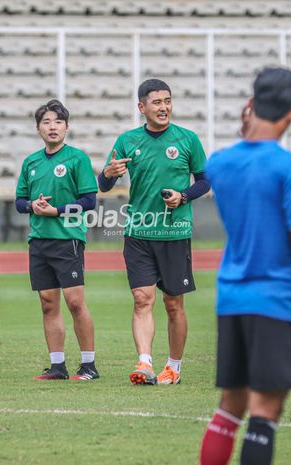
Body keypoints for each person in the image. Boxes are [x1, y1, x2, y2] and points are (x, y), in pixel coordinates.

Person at [199, 67, 291, 465]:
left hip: (232, 297)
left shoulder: (220, 164)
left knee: (230, 405)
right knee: (265, 411)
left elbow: (238, 152)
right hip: (276, 299)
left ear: (251, 104)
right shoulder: (290, 169)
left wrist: (245, 127)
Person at [98, 79, 210, 385]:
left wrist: (183, 196)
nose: (163, 107)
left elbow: (204, 181)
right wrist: (106, 174)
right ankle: (144, 363)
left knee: (174, 304)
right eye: (157, 102)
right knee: (141, 298)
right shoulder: (127, 141)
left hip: (174, 233)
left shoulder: (187, 139)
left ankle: (173, 367)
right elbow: (104, 184)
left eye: (167, 101)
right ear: (142, 107)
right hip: (138, 232)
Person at [15, 99, 100, 381]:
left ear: (67, 127)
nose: (52, 127)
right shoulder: (31, 162)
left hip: (68, 240)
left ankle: (89, 366)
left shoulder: (77, 159)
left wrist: (57, 211)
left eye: (58, 122)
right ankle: (57, 366)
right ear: (38, 128)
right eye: (46, 122)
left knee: (75, 302)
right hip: (39, 241)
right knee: (47, 303)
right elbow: (19, 202)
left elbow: (89, 202)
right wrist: (33, 206)